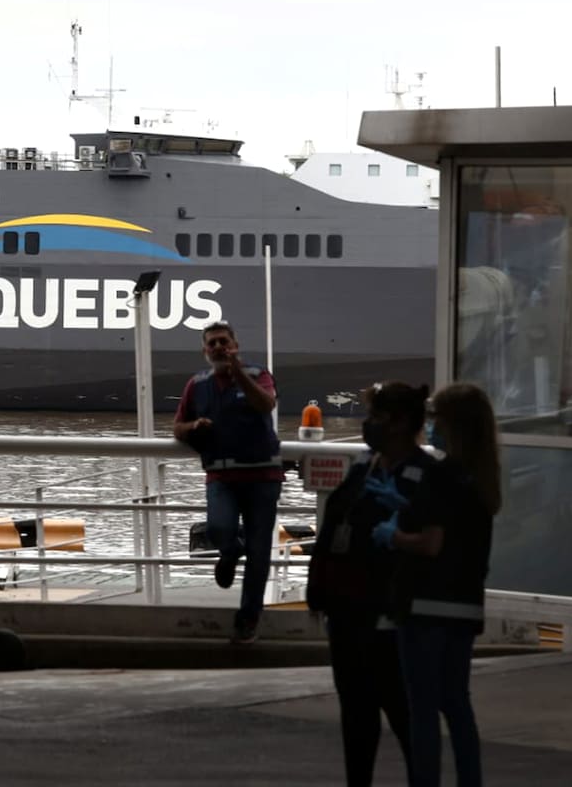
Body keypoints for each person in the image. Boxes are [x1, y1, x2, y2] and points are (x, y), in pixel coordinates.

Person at [306, 381, 433, 786]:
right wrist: (318, 589)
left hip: (390, 613)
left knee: (403, 712)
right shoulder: (364, 466)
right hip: (347, 611)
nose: (368, 424)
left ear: (399, 422)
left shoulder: (427, 477)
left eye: (376, 416)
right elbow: (335, 524)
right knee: (356, 713)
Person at [374, 382, 499, 787]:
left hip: (425, 605)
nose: (430, 425)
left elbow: (431, 543)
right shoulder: (481, 480)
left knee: (422, 711)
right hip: (465, 606)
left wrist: (392, 535)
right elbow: (455, 529)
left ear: (452, 424)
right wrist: (406, 507)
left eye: (435, 418)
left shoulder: (440, 473)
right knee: (457, 704)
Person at [172, 321, 282, 644]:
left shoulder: (258, 374)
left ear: (236, 345)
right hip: (221, 477)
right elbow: (177, 427)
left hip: (263, 476)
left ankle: (248, 620)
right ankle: (232, 551)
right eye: (213, 343)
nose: (219, 347)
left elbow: (266, 404)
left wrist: (238, 374)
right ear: (204, 351)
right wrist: (194, 426)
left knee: (260, 554)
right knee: (219, 528)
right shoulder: (197, 384)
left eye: (224, 342)